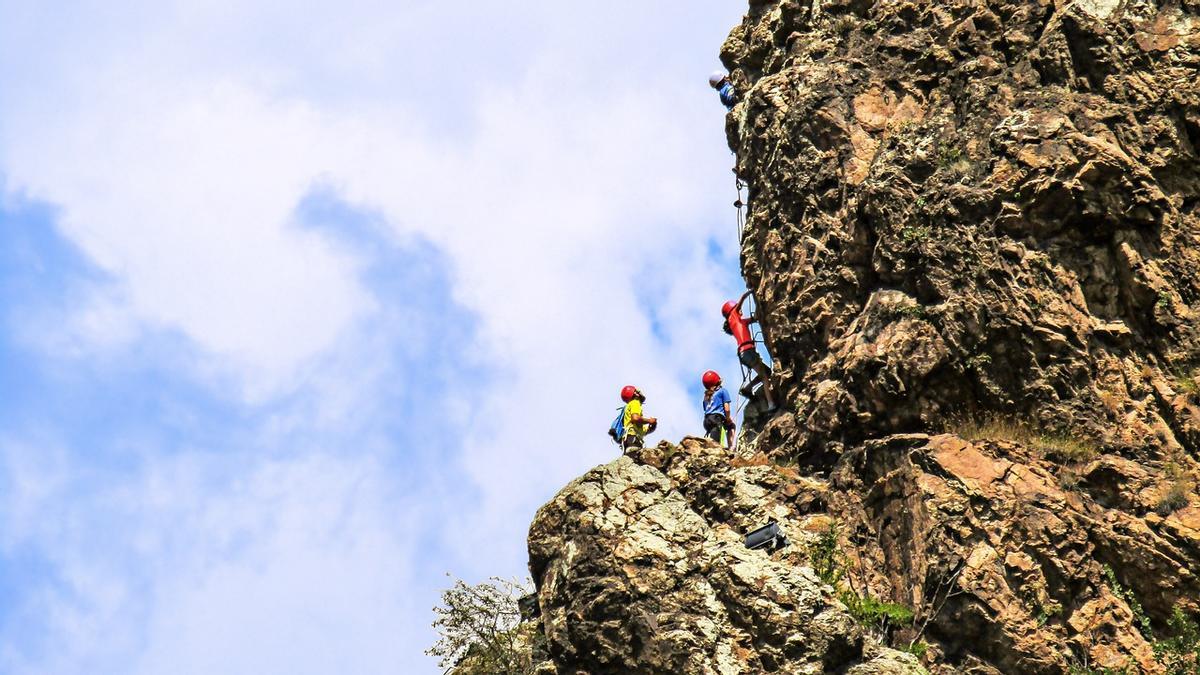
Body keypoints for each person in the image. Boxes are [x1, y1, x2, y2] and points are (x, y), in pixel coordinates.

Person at [722, 291, 778, 411]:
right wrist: (751, 291)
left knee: (766, 372)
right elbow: (741, 300)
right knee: (764, 377)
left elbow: (755, 319)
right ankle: (770, 404)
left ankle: (748, 388)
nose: (740, 310)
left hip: (745, 353)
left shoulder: (741, 322)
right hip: (747, 351)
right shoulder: (733, 317)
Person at [701, 370, 735, 448]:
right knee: (731, 426)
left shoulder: (706, 396)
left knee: (713, 437)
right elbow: (727, 409)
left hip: (706, 421)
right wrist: (728, 419)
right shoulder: (723, 391)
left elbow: (706, 409)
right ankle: (731, 448)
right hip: (717, 419)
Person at [620, 385, 658, 450]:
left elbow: (645, 430)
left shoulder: (629, 406)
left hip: (629, 440)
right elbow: (635, 418)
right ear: (635, 393)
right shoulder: (635, 402)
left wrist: (653, 425)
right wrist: (649, 421)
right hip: (633, 439)